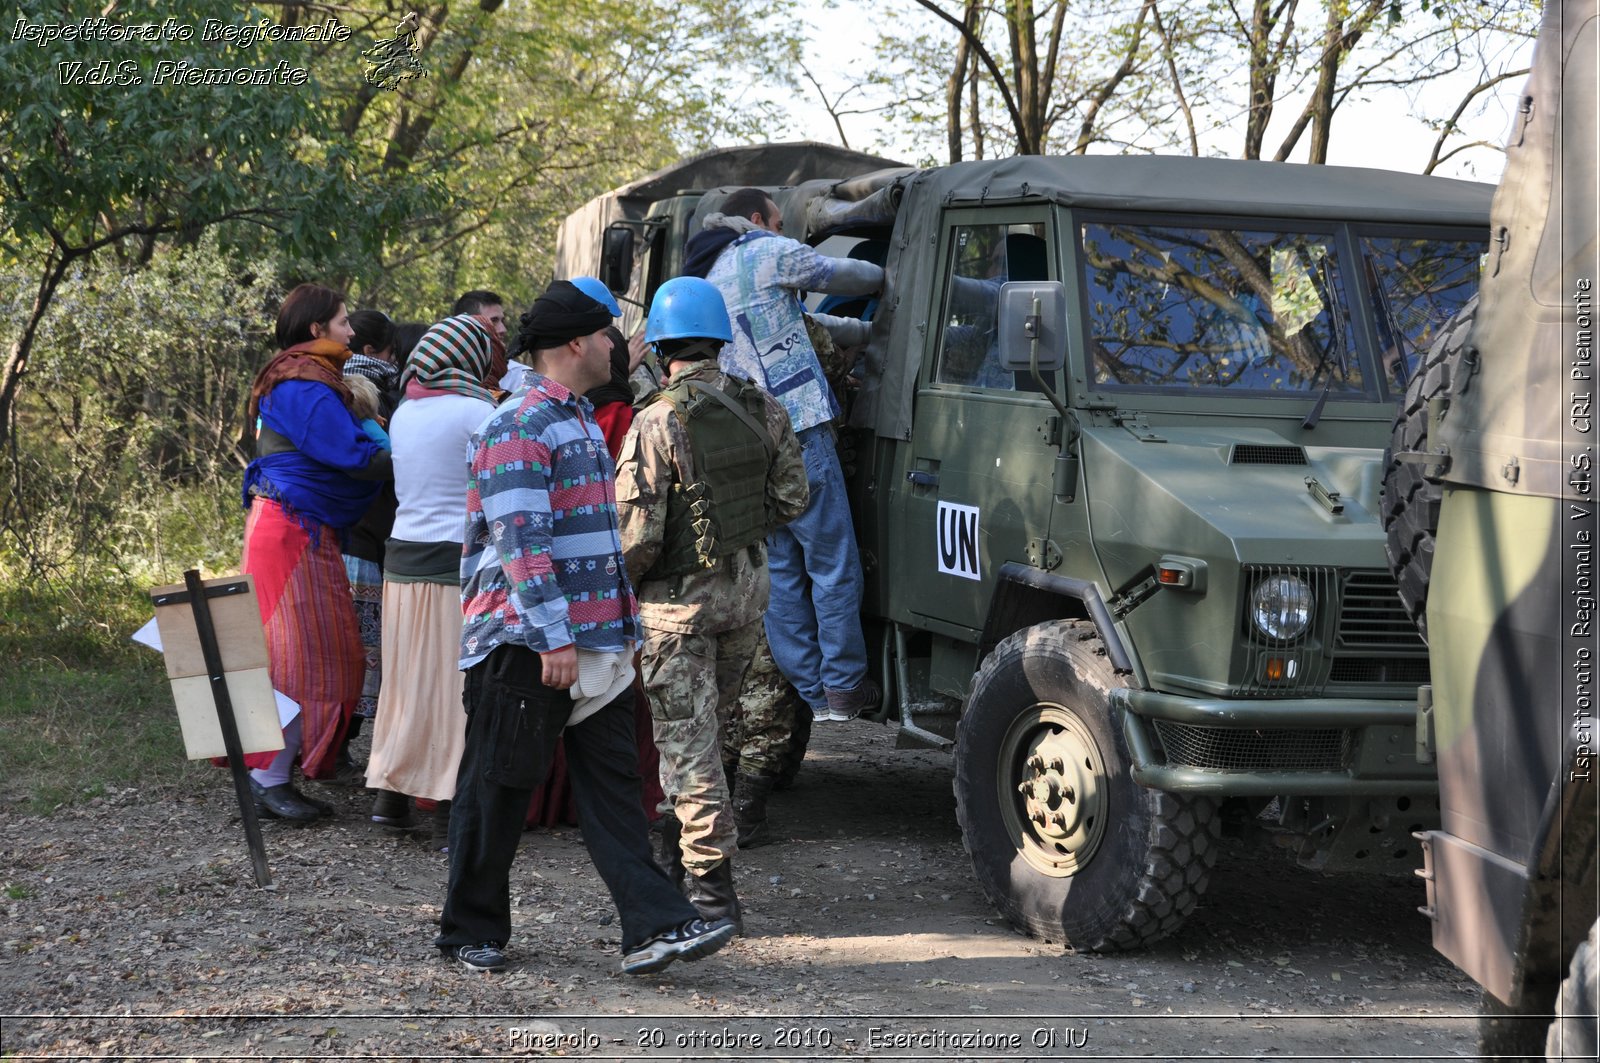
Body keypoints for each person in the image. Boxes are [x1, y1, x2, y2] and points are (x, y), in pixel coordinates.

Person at [437, 280, 734, 976]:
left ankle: (655, 926)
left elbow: (597, 541)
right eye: (607, 334)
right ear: (575, 343)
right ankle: (467, 933)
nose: (619, 346)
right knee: (496, 789)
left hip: (590, 646)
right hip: (527, 646)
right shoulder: (519, 426)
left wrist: (617, 631)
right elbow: (519, 544)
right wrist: (554, 636)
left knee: (617, 793)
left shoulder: (575, 419)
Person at [615, 277, 808, 932]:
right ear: (720, 341)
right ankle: (676, 858)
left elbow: (636, 539)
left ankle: (711, 895)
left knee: (688, 746)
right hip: (745, 601)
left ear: (662, 344)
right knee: (701, 733)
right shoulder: (764, 408)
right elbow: (792, 501)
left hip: (677, 611)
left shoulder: (658, 419)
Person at [702, 188, 885, 725]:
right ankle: (847, 685)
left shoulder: (715, 274)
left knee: (782, 569)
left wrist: (869, 332)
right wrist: (894, 278)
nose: (788, 234)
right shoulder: (764, 249)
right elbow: (845, 278)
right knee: (831, 563)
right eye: (782, 223)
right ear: (757, 219)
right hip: (799, 428)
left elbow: (806, 328)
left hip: (747, 438)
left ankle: (813, 691)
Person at [240, 283, 393, 823]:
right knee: (303, 660)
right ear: (316, 329)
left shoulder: (306, 378)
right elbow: (346, 454)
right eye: (344, 322)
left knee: (311, 658)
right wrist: (400, 452)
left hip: (299, 526)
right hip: (289, 530)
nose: (352, 333)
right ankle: (267, 779)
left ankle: (271, 775)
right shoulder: (301, 383)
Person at [366, 313, 504, 849]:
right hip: (455, 561)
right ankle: (450, 806)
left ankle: (391, 797)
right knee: (454, 687)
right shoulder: (478, 411)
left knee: (404, 683)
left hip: (401, 562)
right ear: (469, 356)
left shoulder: (404, 412)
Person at [524, 323, 666, 830]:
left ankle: (547, 806)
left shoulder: (549, 419)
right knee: (612, 700)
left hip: (561, 588)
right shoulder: (630, 421)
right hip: (616, 587)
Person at [338, 310, 401, 774]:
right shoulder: (382, 396)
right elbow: (391, 462)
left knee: (333, 646)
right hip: (367, 539)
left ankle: (326, 745)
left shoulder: (319, 389)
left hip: (327, 534)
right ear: (374, 354)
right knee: (362, 651)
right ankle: (339, 742)